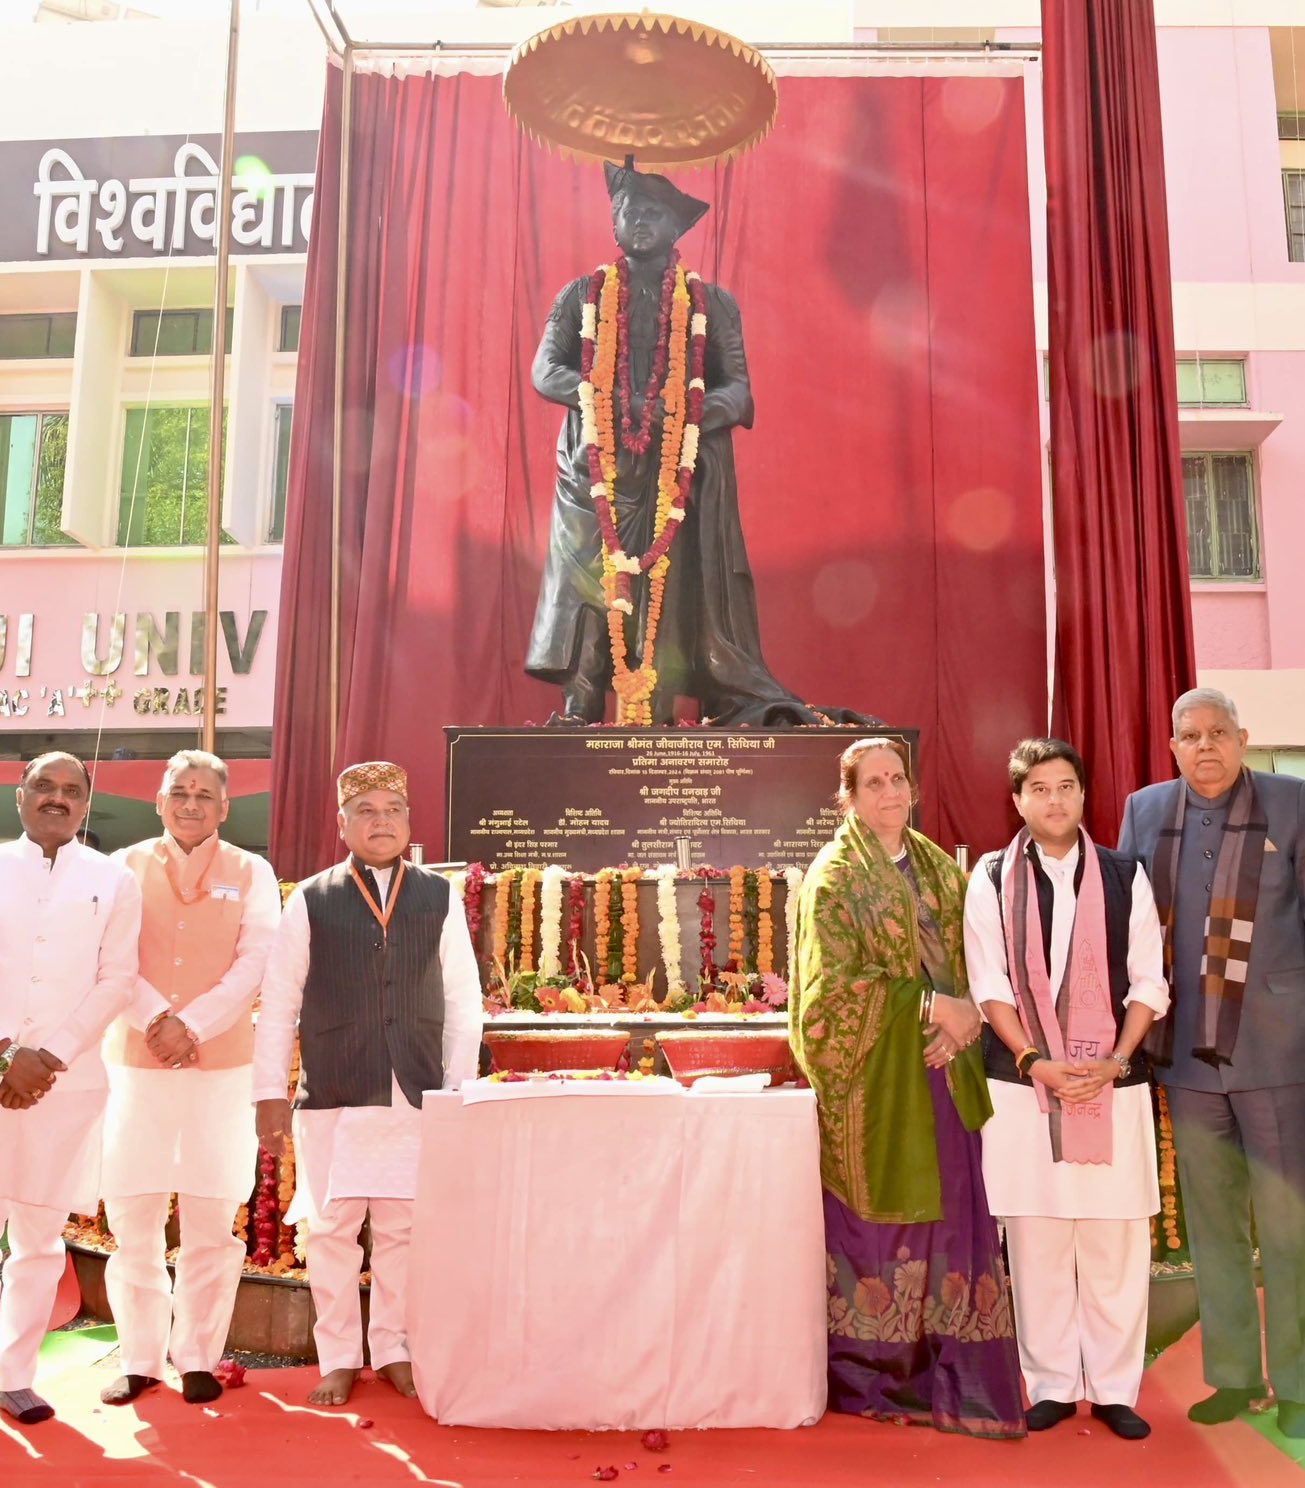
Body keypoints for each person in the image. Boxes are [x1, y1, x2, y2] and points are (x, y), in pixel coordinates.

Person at [524, 161, 870, 726]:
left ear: (676, 228)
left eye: (653, 212)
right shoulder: (581, 295)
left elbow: (739, 393)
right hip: (595, 468)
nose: (638, 220)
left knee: (671, 592)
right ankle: (579, 708)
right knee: (588, 582)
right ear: (612, 221)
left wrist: (685, 414)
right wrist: (610, 400)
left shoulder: (710, 303)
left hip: (676, 472)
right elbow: (545, 371)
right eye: (628, 210)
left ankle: (657, 718)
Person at [1114, 687, 1305, 1438]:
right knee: (1213, 1224)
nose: (1205, 746)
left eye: (1219, 733)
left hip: (1278, 1047)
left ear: (1243, 740)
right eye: (1191, 735)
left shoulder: (1291, 800)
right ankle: (1233, 1376)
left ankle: (1301, 1386)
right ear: (1173, 746)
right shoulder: (1146, 811)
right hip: (1186, 1053)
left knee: (1284, 1221)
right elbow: (1131, 927)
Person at [790, 736, 1025, 1438]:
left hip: (943, 1074)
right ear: (849, 796)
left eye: (898, 779)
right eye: (873, 784)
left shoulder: (938, 868)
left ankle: (951, 1372)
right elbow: (825, 998)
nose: (890, 793)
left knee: (950, 1219)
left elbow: (973, 962)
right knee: (884, 1231)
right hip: (880, 1087)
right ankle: (877, 1376)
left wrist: (960, 1024)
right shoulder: (833, 877)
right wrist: (926, 1007)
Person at [0, 752, 141, 1435]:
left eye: (71, 791)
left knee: (42, 1240)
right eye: (44, 786)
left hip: (65, 1083)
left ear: (86, 805)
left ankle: (17, 1379)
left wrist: (50, 1057)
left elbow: (118, 978)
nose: (56, 798)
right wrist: (4, 1054)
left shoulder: (114, 879)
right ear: (20, 796)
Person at [253, 763, 482, 1407]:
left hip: (414, 1089)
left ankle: (394, 1349)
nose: (381, 821)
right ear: (342, 824)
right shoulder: (310, 898)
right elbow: (278, 1002)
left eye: (392, 810)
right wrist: (269, 1091)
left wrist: (455, 1091)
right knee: (331, 1229)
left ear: (408, 822)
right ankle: (338, 1357)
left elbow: (465, 1001)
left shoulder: (438, 895)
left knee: (402, 1229)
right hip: (334, 1089)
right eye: (366, 810)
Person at [965, 738, 1167, 1437]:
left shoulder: (1124, 874)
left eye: (1067, 787)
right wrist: (1033, 1062)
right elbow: (987, 983)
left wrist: (1114, 1059)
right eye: (1040, 789)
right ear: (1017, 800)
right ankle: (1050, 1383)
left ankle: (1114, 1388)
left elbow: (1148, 981)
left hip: (1114, 1083)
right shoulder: (991, 878)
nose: (1055, 800)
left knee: (1113, 1242)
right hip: (1023, 1088)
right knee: (1038, 1237)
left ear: (1084, 795)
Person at [100, 750, 279, 1407]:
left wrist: (192, 1026)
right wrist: (156, 1020)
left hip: (220, 1067)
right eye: (181, 791)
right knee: (133, 1211)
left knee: (211, 1213)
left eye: (206, 794)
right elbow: (110, 957)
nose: (192, 803)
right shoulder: (124, 867)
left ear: (225, 807)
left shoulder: (251, 871)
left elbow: (258, 958)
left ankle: (198, 1353)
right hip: (135, 1063)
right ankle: (141, 1358)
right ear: (160, 799)